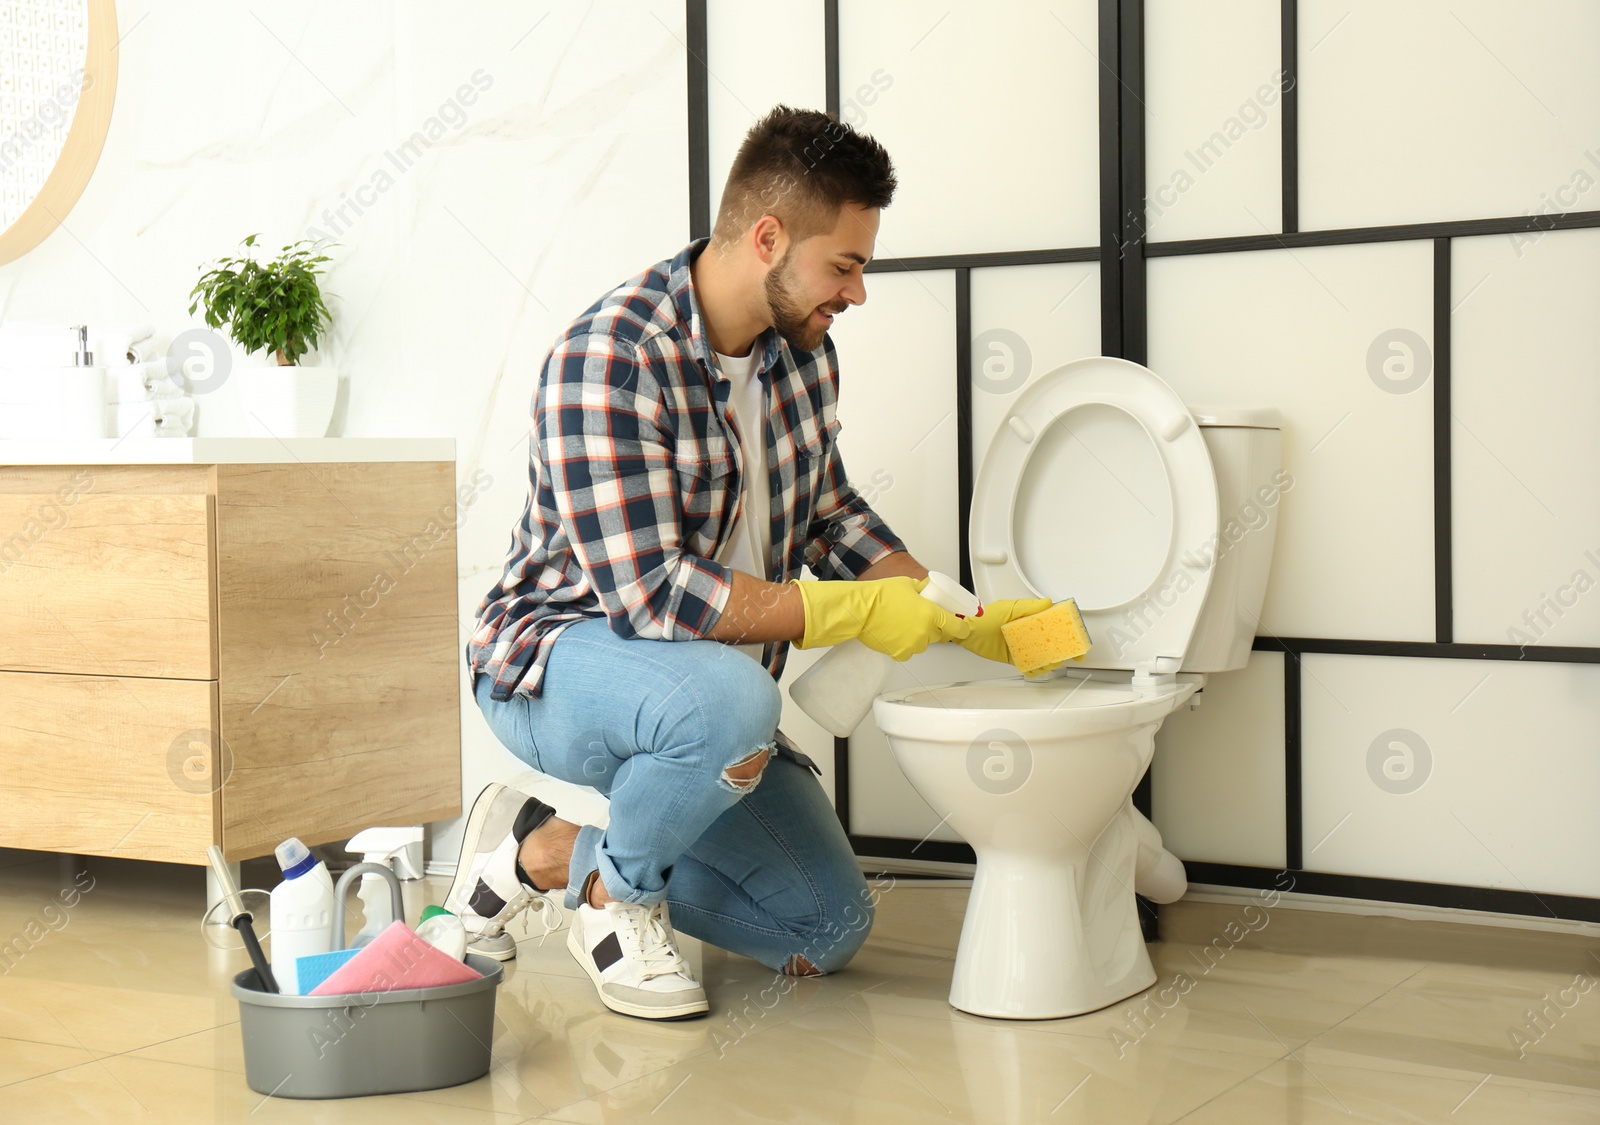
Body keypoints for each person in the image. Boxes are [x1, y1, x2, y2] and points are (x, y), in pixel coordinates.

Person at [456, 105, 1047, 1020]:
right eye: (843, 265)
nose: (856, 293)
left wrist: (951, 608)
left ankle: (543, 850)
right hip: (553, 668)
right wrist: (849, 615)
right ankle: (623, 907)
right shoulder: (609, 359)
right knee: (735, 703)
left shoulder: (802, 356)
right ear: (768, 238)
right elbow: (650, 597)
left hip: (706, 696)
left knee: (824, 928)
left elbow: (828, 513)